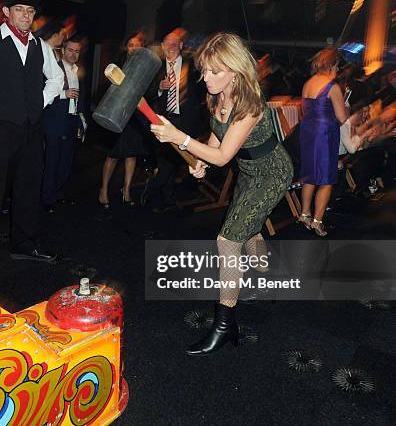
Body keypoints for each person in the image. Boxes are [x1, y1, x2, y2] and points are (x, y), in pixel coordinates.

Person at [151, 32, 293, 355]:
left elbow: (224, 156)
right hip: (249, 170)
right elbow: (216, 144)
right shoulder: (217, 96)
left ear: (235, 70)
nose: (206, 78)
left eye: (215, 71)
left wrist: (181, 139)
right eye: (204, 70)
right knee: (250, 227)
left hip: (272, 172)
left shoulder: (250, 105)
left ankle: (225, 326)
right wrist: (200, 162)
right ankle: (266, 272)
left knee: (228, 240)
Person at [0, 0, 64, 261]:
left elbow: (56, 79)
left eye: (30, 11)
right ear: (6, 12)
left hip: (31, 130)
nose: (25, 15)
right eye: (19, 10)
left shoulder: (40, 46)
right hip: (2, 127)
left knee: (28, 186)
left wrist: (41, 100)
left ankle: (23, 244)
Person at [142, 31, 204, 212]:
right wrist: (159, 89)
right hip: (164, 119)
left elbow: (202, 90)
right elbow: (148, 93)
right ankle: (163, 196)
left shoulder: (192, 66)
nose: (171, 46)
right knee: (167, 159)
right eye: (167, 43)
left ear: (182, 46)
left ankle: (156, 190)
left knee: (176, 159)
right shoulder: (156, 67)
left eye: (175, 42)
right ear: (162, 46)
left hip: (186, 119)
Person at [298, 48, 348, 236]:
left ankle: (304, 214)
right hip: (324, 134)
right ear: (333, 65)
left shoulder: (307, 83)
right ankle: (317, 221)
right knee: (327, 179)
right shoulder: (332, 86)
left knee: (310, 174)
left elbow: (305, 112)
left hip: (308, 131)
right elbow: (342, 117)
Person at [99, 31, 151, 208]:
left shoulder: (146, 68)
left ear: (142, 48)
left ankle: (127, 190)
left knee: (131, 153)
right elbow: (106, 91)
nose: (134, 48)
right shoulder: (117, 65)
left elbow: (148, 94)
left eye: (137, 45)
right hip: (117, 114)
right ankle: (104, 189)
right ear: (126, 48)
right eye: (131, 45)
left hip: (134, 118)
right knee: (113, 154)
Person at [42, 35, 86, 212]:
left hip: (71, 120)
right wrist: (63, 94)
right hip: (54, 121)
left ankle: (57, 194)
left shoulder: (77, 70)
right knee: (52, 161)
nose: (74, 54)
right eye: (70, 50)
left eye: (77, 51)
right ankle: (47, 199)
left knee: (66, 162)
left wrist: (81, 123)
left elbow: (80, 100)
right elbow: (42, 92)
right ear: (63, 49)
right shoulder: (54, 68)